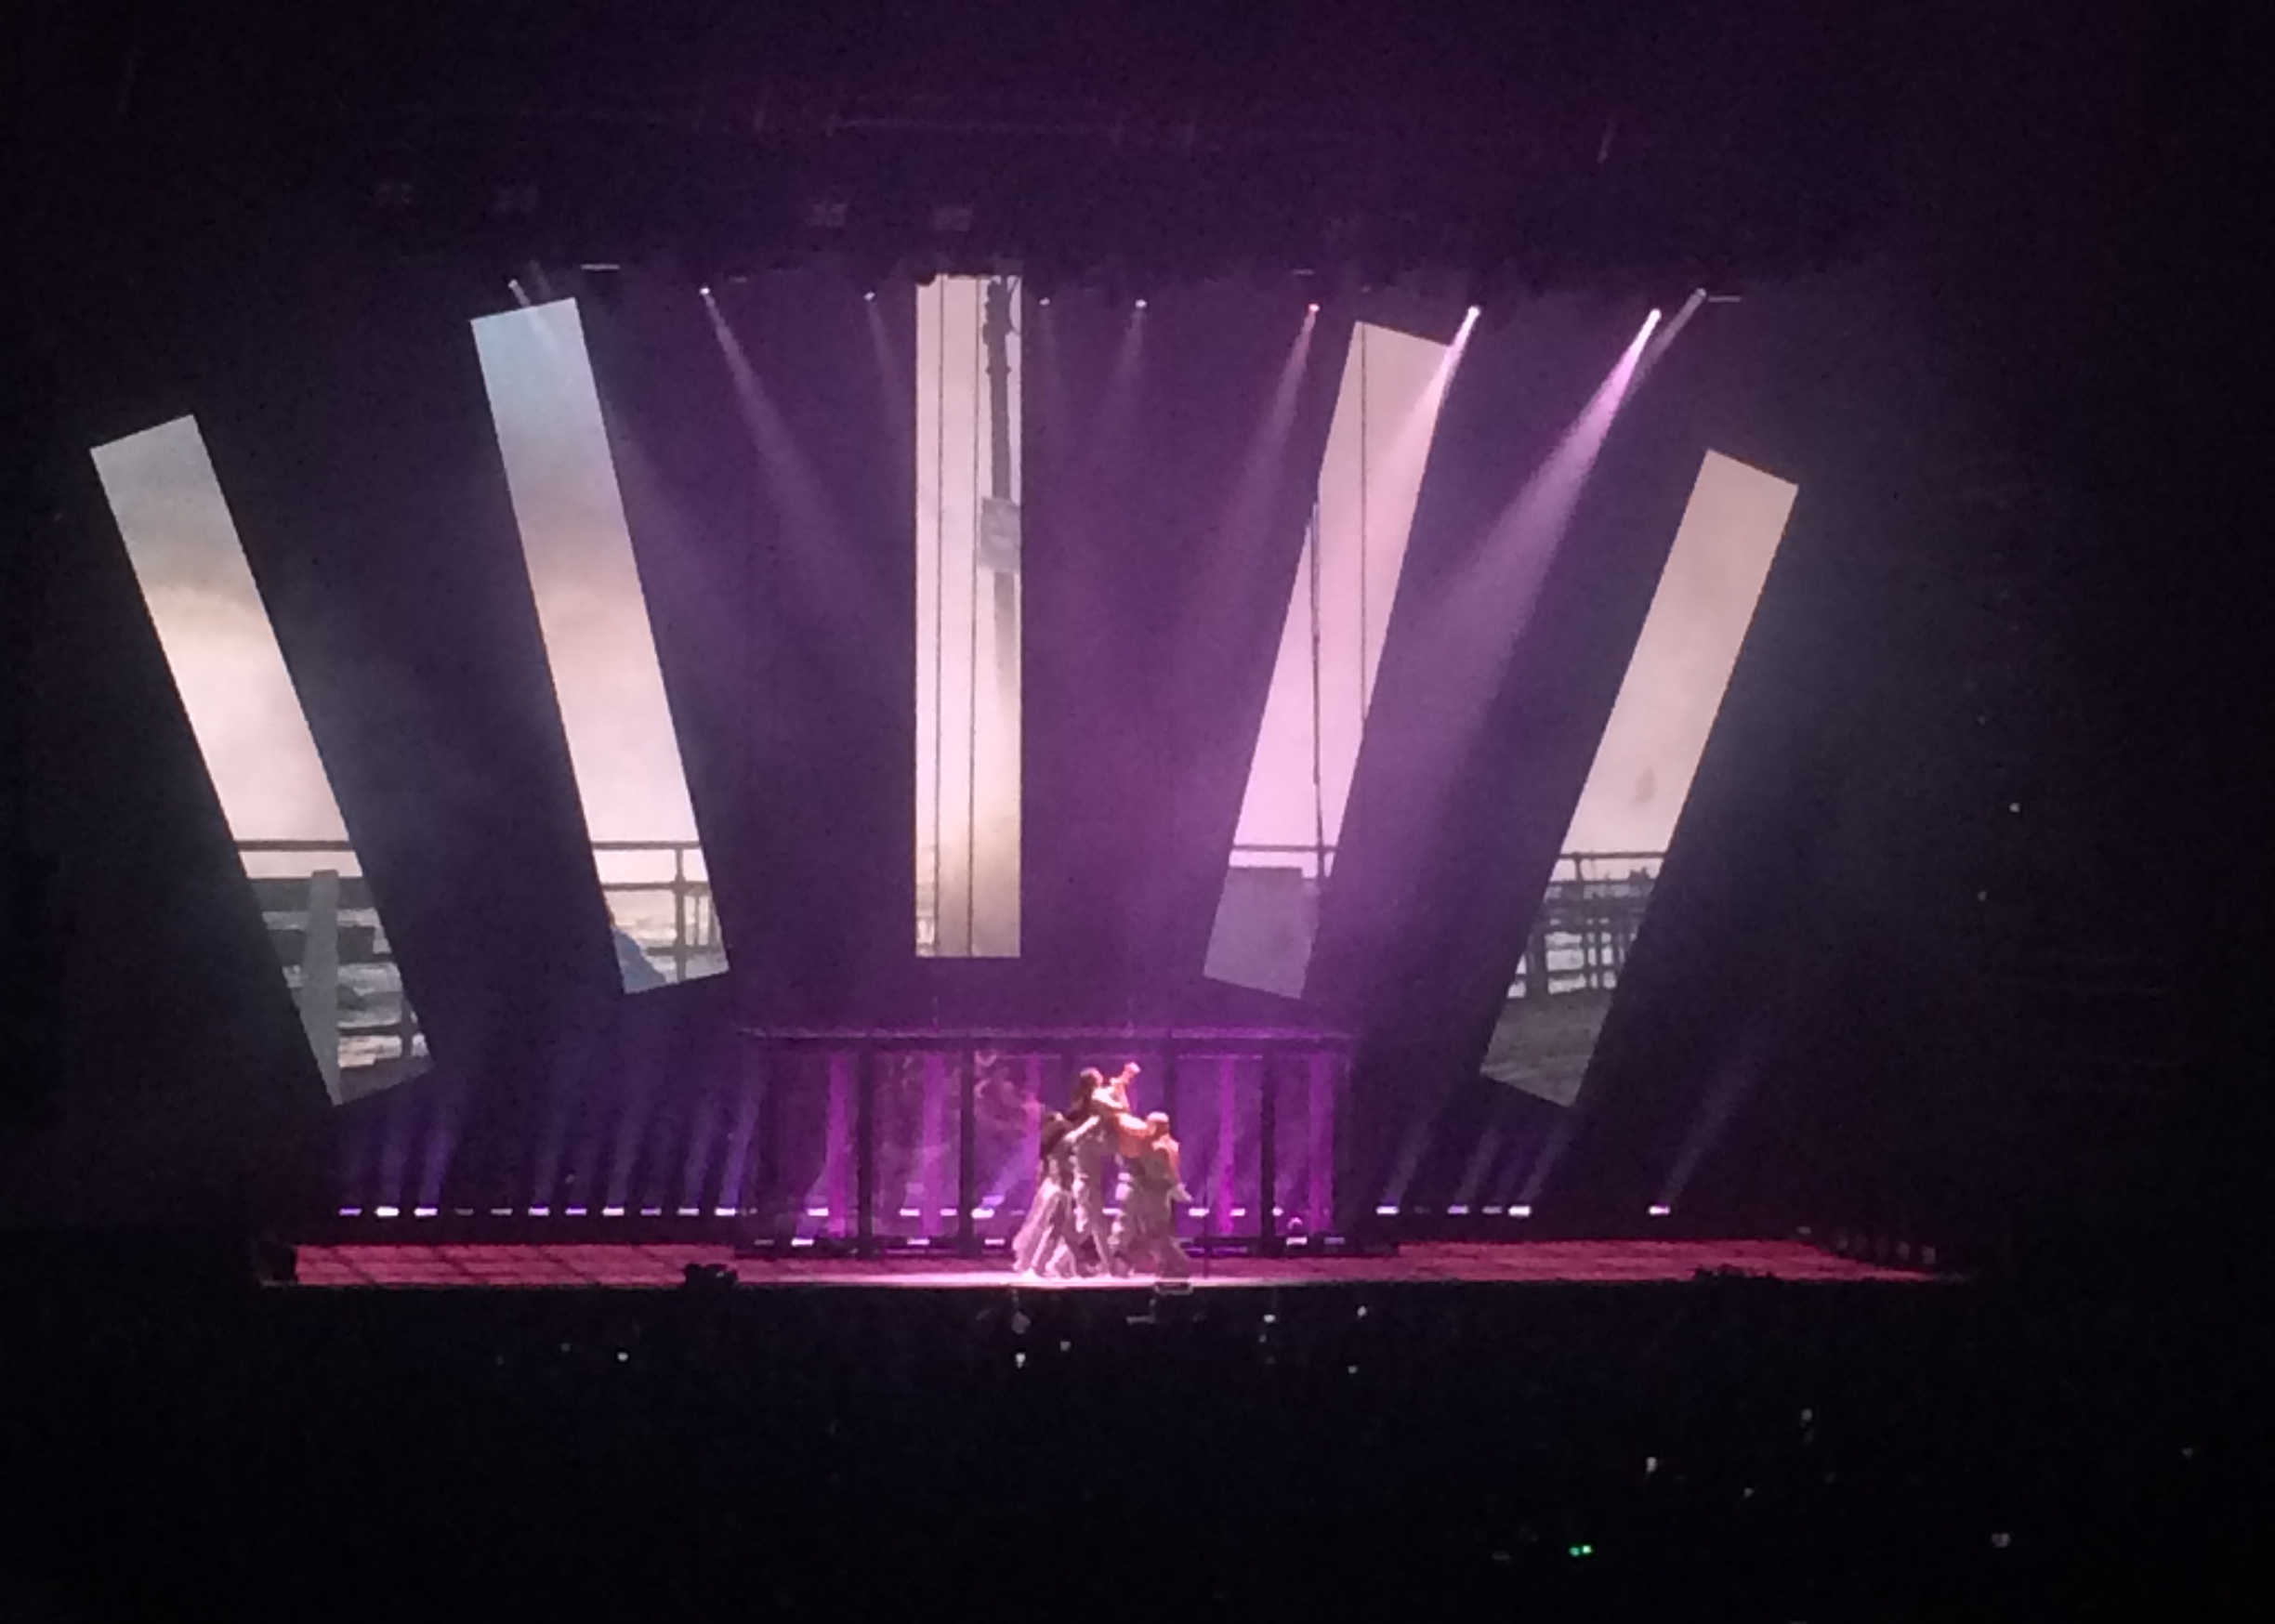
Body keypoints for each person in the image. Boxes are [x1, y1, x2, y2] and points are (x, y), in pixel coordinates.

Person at [1009, 1107, 1098, 1278]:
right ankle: (1037, 1268)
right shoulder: (1063, 1146)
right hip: (1060, 1193)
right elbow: (1079, 1134)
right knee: (1055, 1230)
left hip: (1058, 1191)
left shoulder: (1054, 1150)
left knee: (1068, 1232)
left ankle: (1073, 1266)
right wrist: (1095, 1119)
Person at [1109, 1112, 1192, 1278]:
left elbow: (1163, 1173)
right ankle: (1170, 1265)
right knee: (1149, 1232)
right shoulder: (1168, 1145)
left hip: (1154, 1194)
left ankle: (1177, 1265)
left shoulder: (1156, 1147)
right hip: (1152, 1193)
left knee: (1155, 1233)